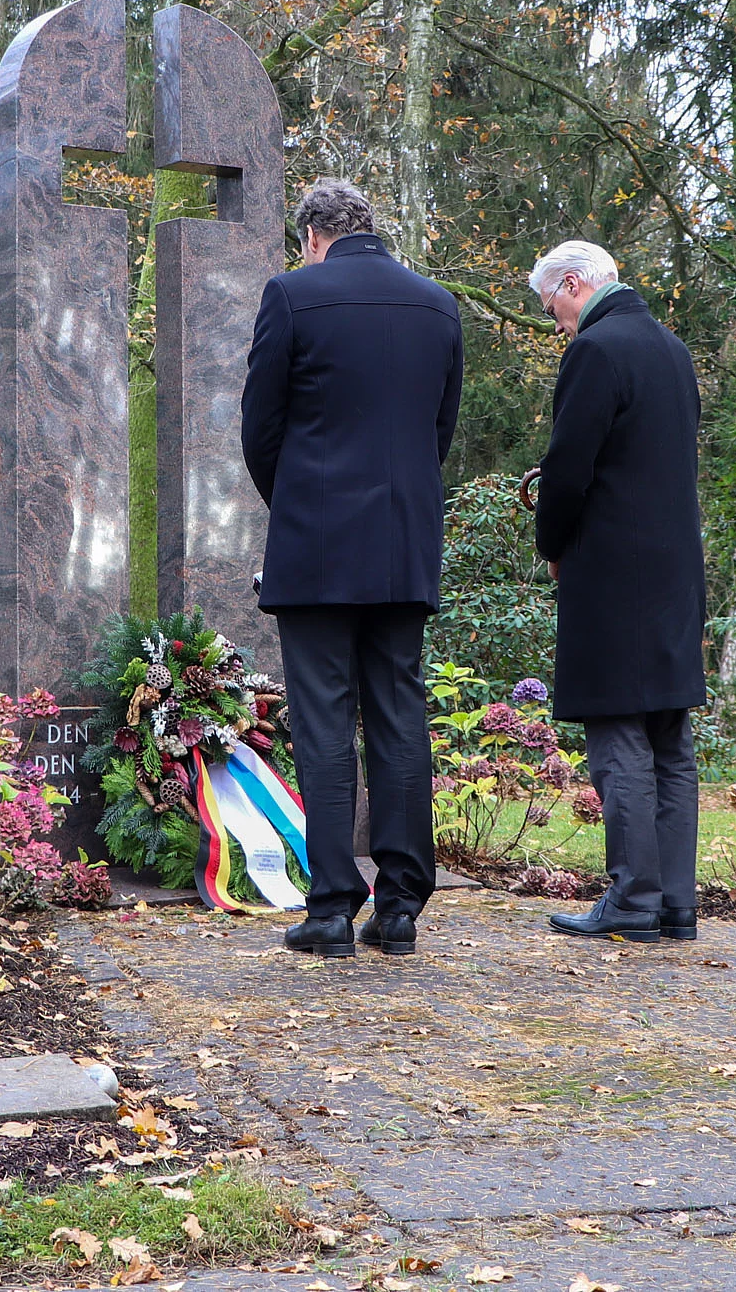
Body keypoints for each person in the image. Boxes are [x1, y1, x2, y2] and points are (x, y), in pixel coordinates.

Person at [241, 180, 464, 958]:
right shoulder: (437, 305)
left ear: (312, 236)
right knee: (400, 714)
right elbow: (439, 430)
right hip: (404, 543)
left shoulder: (292, 296)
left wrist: (300, 502)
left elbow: (260, 427)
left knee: (325, 719)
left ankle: (332, 906)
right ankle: (399, 907)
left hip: (318, 543)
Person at [527, 239, 708, 944]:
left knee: (618, 732)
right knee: (669, 735)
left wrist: (551, 544)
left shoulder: (596, 351)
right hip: (674, 571)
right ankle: (675, 903)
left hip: (611, 572)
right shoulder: (673, 349)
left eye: (554, 306)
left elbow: (568, 468)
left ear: (575, 283)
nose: (557, 323)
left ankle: (633, 898)